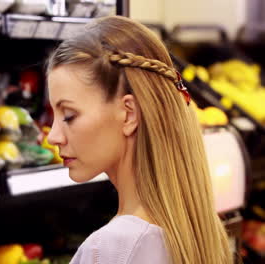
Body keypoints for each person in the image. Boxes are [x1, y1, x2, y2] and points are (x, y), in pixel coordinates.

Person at [46, 16, 233, 264]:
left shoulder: (112, 248)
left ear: (129, 114)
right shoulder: (198, 233)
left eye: (69, 116)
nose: (52, 136)